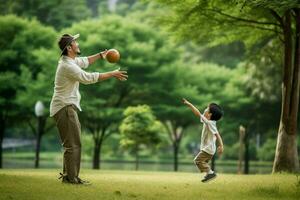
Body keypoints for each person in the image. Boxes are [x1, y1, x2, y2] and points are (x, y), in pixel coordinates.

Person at [50, 33, 128, 185]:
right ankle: (71, 178)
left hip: (65, 107)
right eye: (75, 42)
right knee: (73, 144)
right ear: (69, 48)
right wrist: (112, 73)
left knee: (72, 144)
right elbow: (88, 78)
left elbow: (85, 61)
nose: (78, 44)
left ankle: (69, 176)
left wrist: (100, 55)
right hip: (64, 107)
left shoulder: (70, 61)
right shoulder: (67, 66)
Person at [182, 98, 224, 183]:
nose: (205, 110)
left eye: (207, 109)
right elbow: (217, 134)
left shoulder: (209, 122)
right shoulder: (210, 122)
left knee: (197, 160)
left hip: (208, 149)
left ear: (209, 115)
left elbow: (197, 113)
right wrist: (221, 145)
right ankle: (208, 174)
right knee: (202, 162)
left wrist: (189, 104)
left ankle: (211, 173)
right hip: (209, 149)